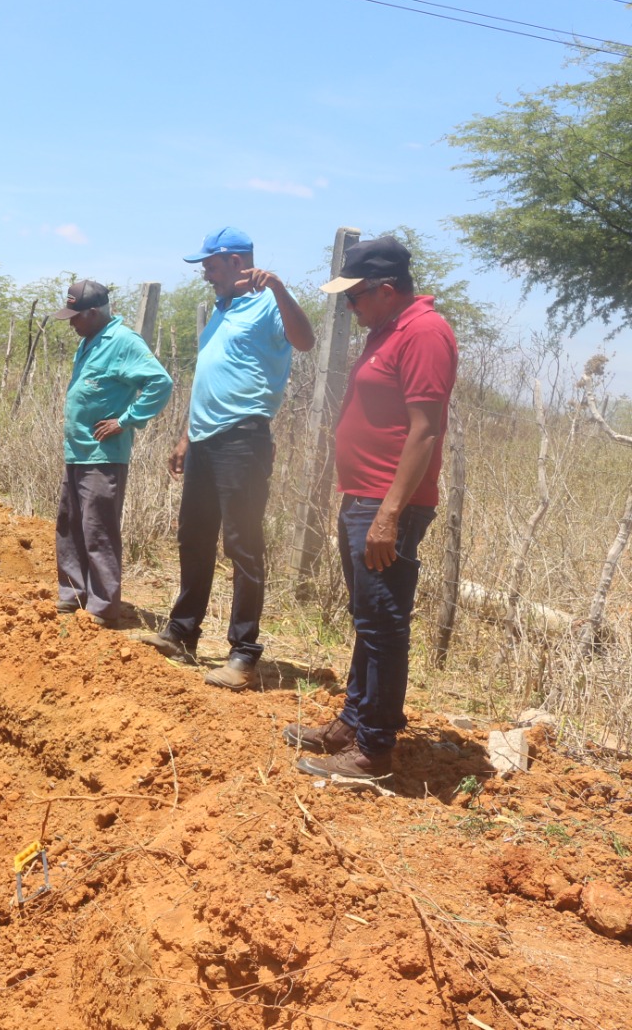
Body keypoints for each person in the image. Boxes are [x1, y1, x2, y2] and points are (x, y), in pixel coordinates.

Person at [285, 237, 457, 782]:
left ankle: (373, 751)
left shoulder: (425, 332)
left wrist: (388, 513)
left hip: (389, 506)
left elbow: (425, 431)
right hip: (362, 497)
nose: (349, 306)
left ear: (385, 291)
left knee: (383, 626)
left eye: (355, 297)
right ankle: (352, 723)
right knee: (368, 620)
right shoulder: (386, 329)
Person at [140, 227, 315, 689]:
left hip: (243, 441)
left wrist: (278, 287)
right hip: (203, 441)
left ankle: (243, 653)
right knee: (194, 538)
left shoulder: (271, 302)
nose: (205, 274)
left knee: (243, 545)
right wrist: (185, 437)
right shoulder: (221, 310)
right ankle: (182, 633)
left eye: (211, 266)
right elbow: (209, 382)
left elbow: (306, 341)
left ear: (237, 263)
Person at [52, 280, 173, 625]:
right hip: (78, 451)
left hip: (103, 456)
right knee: (70, 525)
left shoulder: (122, 342)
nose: (71, 323)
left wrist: (126, 420)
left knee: (97, 529)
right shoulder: (90, 340)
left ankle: (103, 608)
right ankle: (72, 594)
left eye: (75, 317)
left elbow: (160, 383)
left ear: (93, 312)